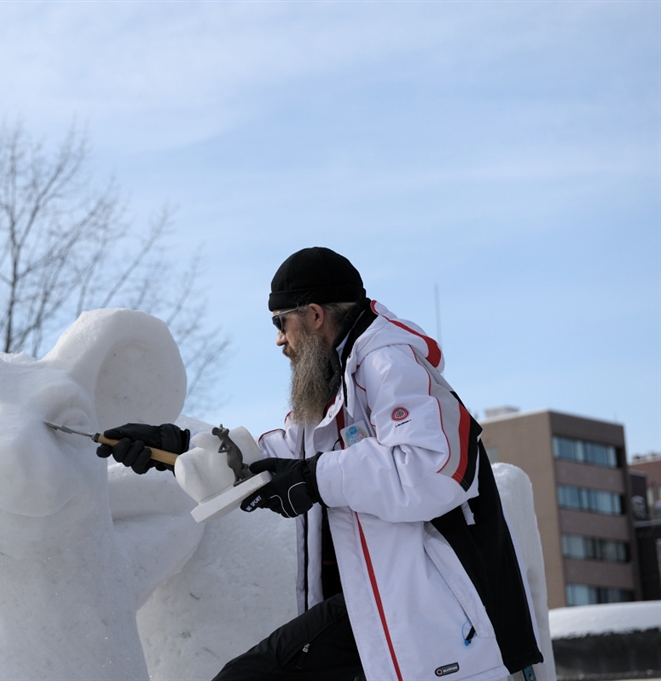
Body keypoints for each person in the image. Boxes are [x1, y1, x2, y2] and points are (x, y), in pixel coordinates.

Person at [99, 247, 544, 681]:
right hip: (377, 609)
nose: (279, 340)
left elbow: (434, 467)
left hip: (439, 620)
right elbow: (280, 458)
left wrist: (314, 478)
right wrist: (178, 447)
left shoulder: (388, 362)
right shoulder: (335, 383)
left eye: (280, 322)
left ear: (314, 315)